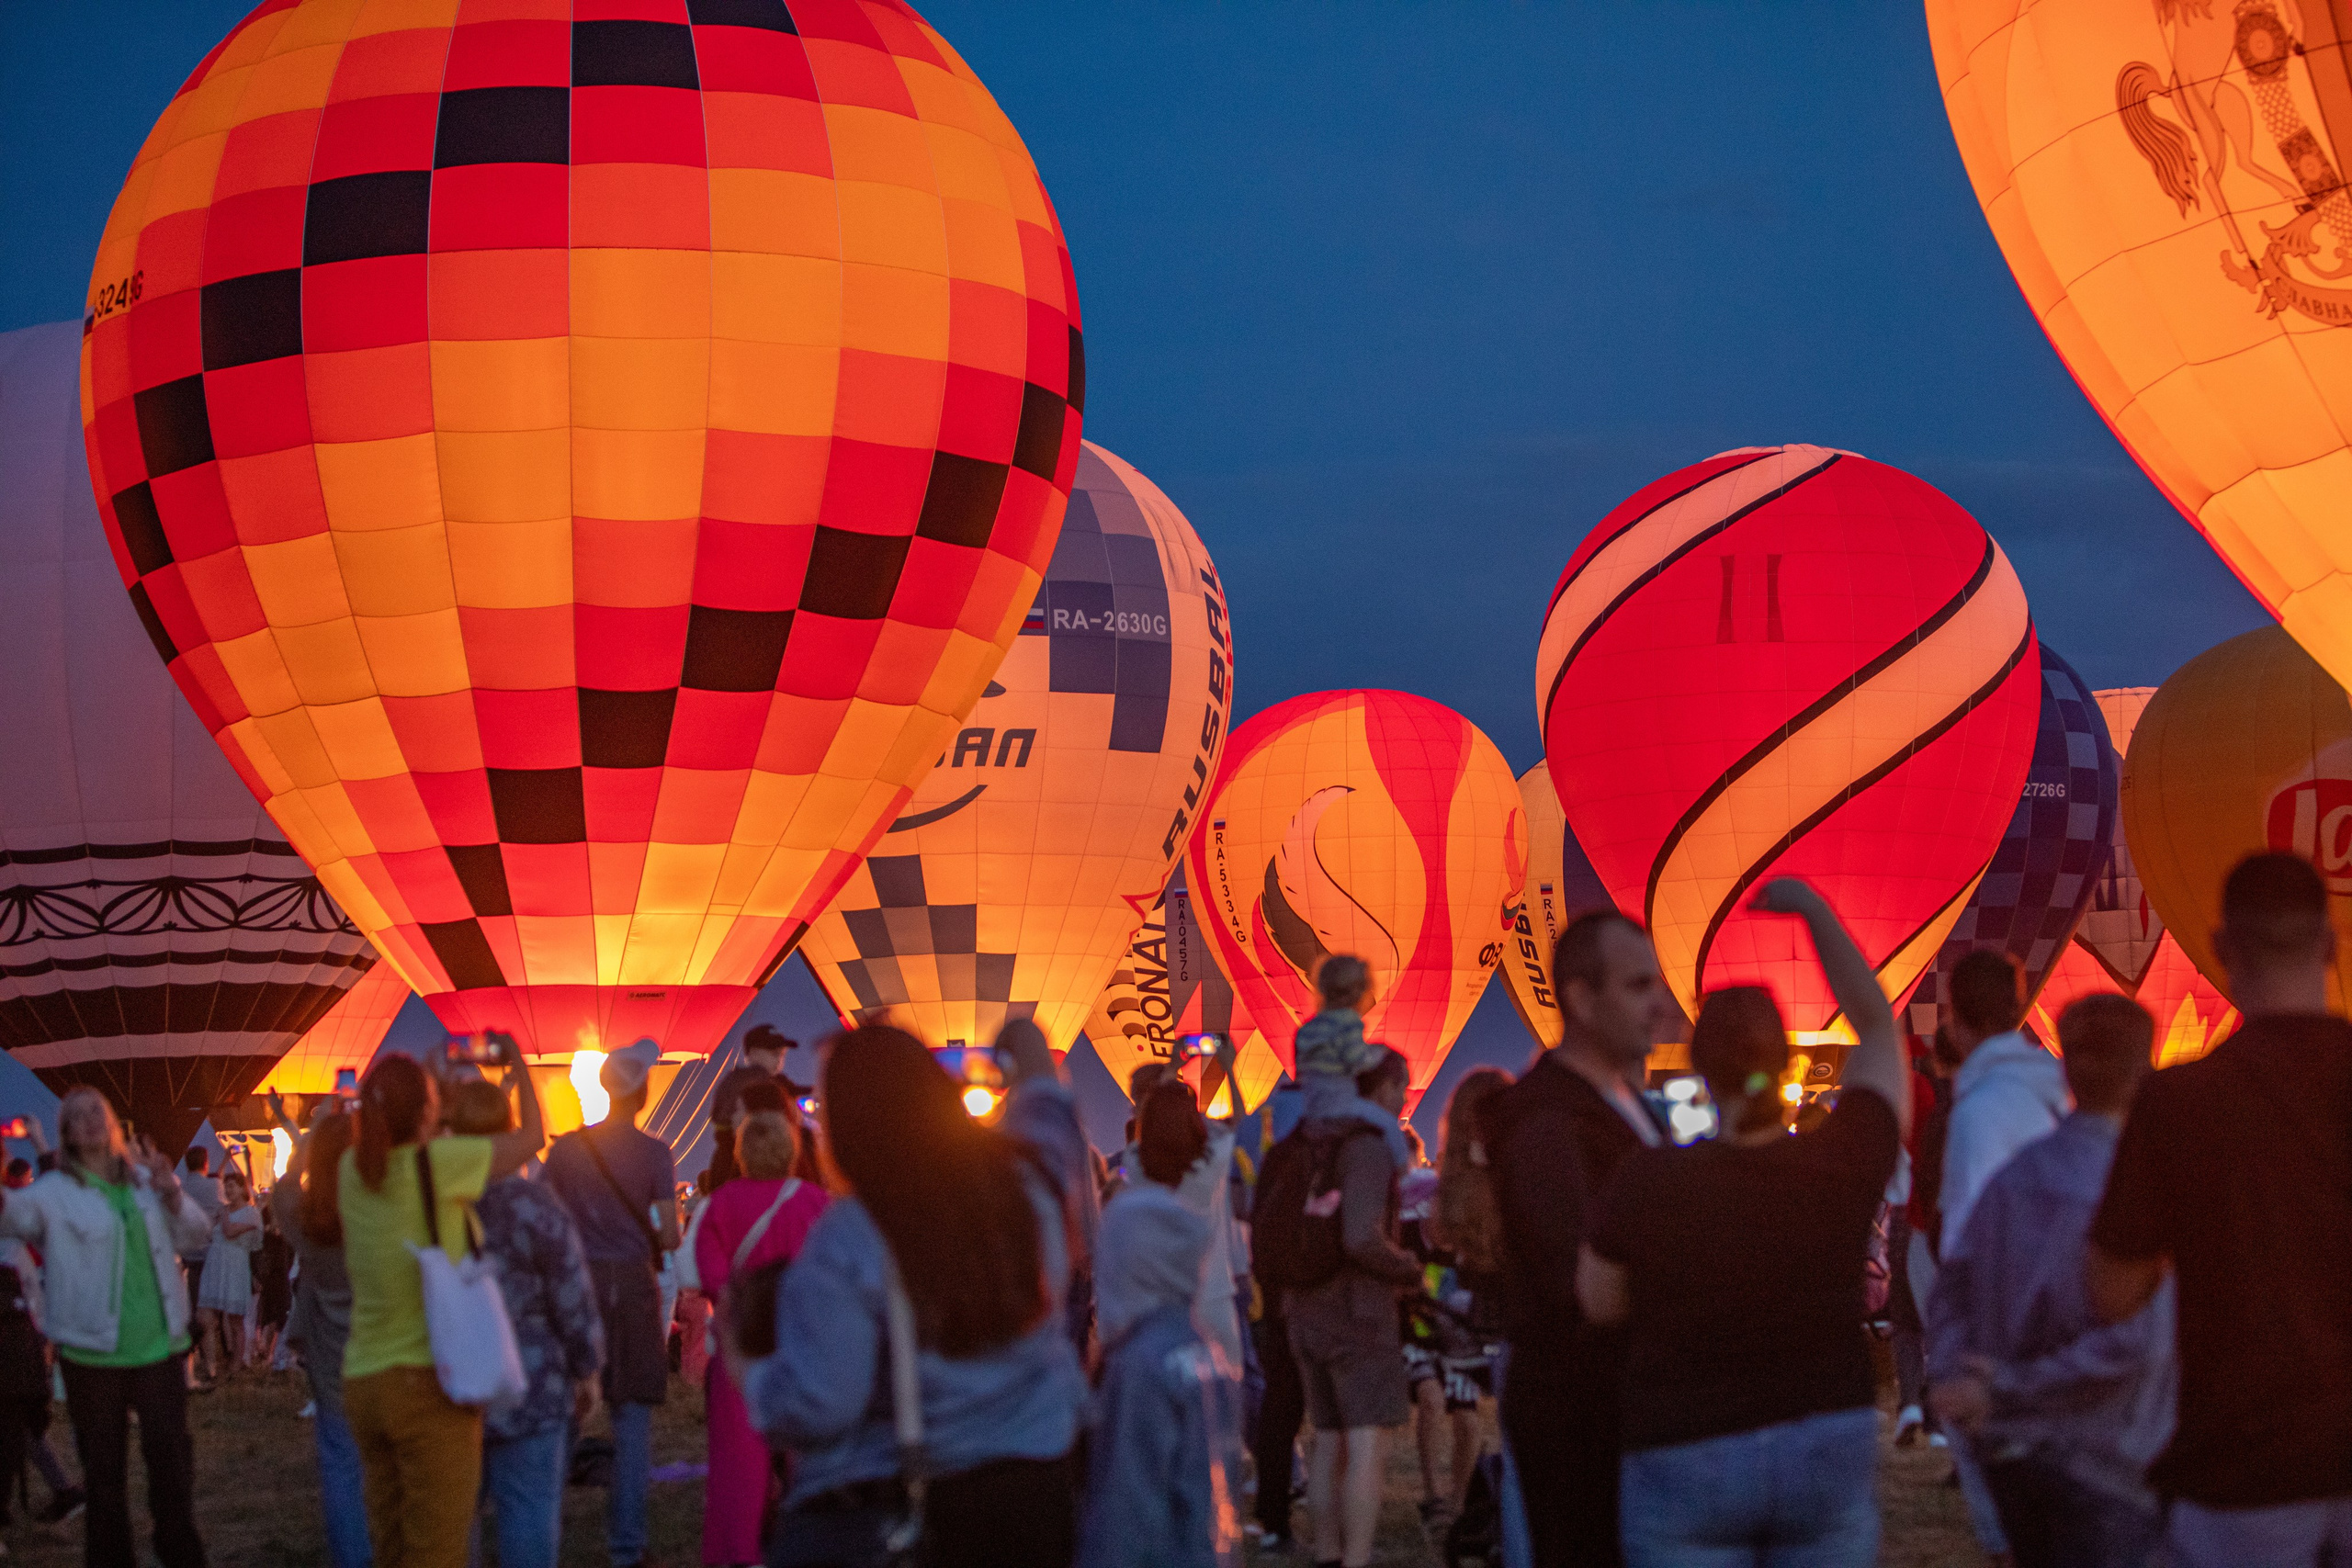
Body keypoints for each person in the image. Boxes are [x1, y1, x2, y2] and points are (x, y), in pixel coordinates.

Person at [1577, 879, 1907, 1567]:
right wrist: (1815, 910)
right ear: (1787, 1063)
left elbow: (1599, 1301)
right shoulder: (1843, 1161)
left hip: (1685, 1442)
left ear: (1698, 1069)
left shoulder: (1649, 1179)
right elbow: (1878, 1028)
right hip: (1825, 1431)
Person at [739, 1020, 1091, 1568]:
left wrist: (750, 1367)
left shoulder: (851, 1235)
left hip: (924, 1508)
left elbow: (822, 1406)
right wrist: (1013, 1038)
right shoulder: (1030, 1187)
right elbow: (1048, 1101)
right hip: (1040, 1492)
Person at [2088, 852, 2352, 1565]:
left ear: (2221, 948)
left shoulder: (2177, 1103)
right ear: (2330, 945)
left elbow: (2110, 1291)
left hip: (2244, 1464)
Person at [1928, 993, 2174, 1568]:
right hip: (2114, 1462)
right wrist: (2008, 1385)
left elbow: (1950, 1291)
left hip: (2020, 1459)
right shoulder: (2146, 1191)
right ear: (2145, 1073)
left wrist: (1961, 1379)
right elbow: (2138, 1341)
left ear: (2065, 1070)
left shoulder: (2014, 1180)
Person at [1484, 909, 1679, 1568]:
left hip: (1633, 1399)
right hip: (1581, 1408)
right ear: (1582, 998)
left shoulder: (1627, 1105)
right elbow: (1569, 1276)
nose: (1659, 1005)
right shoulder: (1545, 1119)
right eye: (1638, 985)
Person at [340, 1051, 545, 1568]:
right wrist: (519, 1064)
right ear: (427, 1112)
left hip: (364, 1381)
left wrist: (430, 1104)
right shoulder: (442, 1164)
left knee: (391, 1546)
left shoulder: (349, 1170)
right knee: (438, 1552)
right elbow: (531, 1139)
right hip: (430, 1381)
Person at [0, 1087, 212, 1568]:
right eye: (78, 1115)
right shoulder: (54, 1193)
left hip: (159, 1347)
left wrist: (171, 1191)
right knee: (105, 1479)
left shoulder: (144, 1183)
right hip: (92, 1355)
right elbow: (11, 1216)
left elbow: (197, 1234)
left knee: (172, 1468)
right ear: (67, 1133)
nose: (91, 1119)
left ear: (114, 1121)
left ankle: (180, 1553)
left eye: (98, 1110)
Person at [1079, 1080, 1243, 1568]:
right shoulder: (1210, 1168)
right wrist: (1209, 1085)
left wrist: (1151, 1111)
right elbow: (1225, 1132)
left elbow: (1128, 1497)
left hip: (1145, 1311)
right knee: (1213, 1439)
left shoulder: (1134, 1188)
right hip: (1212, 1300)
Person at [442, 1078, 603, 1568]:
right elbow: (571, 1295)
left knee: (453, 1522)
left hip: (454, 1383)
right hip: (532, 1384)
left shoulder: (434, 1206)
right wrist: (587, 1368)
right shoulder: (536, 1206)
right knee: (529, 1512)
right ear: (511, 1131)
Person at [543, 1037, 679, 1568]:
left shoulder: (565, 1152)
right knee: (631, 1415)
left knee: (565, 1412)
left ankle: (541, 1531)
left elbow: (543, 1215)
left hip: (575, 1286)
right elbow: (669, 1236)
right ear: (643, 1094)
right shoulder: (655, 1154)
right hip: (633, 1287)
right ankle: (626, 1547)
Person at [1283, 1046, 1419, 1568]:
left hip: (1305, 1307)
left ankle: (1328, 1553)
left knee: (1327, 1437)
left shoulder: (1309, 1140)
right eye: (1402, 1088)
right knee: (1366, 1443)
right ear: (1385, 1086)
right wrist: (1405, 1266)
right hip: (1356, 1312)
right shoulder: (1366, 1147)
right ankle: (1356, 1558)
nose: (1403, 1100)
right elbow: (1361, 1236)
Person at [695, 1110, 827, 1568]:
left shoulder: (721, 1204)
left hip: (742, 1351)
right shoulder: (816, 1202)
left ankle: (740, 1554)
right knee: (808, 1457)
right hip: (802, 1346)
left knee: (738, 1470)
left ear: (742, 1152)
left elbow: (711, 1277)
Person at [267, 1097, 372, 1568]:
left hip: (331, 1358)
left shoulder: (306, 1220)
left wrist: (310, 1138)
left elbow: (285, 1186)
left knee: (341, 1466)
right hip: (385, 1351)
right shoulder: (382, 1212)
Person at [707, 1026, 800, 1187]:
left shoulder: (732, 1081)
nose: (779, 1060)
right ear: (753, 1053)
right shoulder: (763, 1084)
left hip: (729, 1170)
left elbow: (719, 1121)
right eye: (774, 1054)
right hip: (744, 1172)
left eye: (782, 1055)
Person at [194, 1166, 261, 1382]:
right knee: (204, 1316)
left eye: (231, 1186)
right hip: (215, 1264)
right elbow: (210, 1233)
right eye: (226, 1187)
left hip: (235, 1267)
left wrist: (223, 1214)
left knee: (234, 1320)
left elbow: (229, 1232)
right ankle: (210, 1365)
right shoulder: (223, 1211)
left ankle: (236, 1365)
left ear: (242, 1188)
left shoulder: (251, 1213)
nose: (228, 1191)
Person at [175, 1148, 220, 1382]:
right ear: (206, 1163)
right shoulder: (214, 1186)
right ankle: (211, 1365)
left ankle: (194, 1365)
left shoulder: (181, 1188)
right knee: (207, 1315)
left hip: (188, 1257)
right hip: (211, 1256)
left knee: (192, 1311)